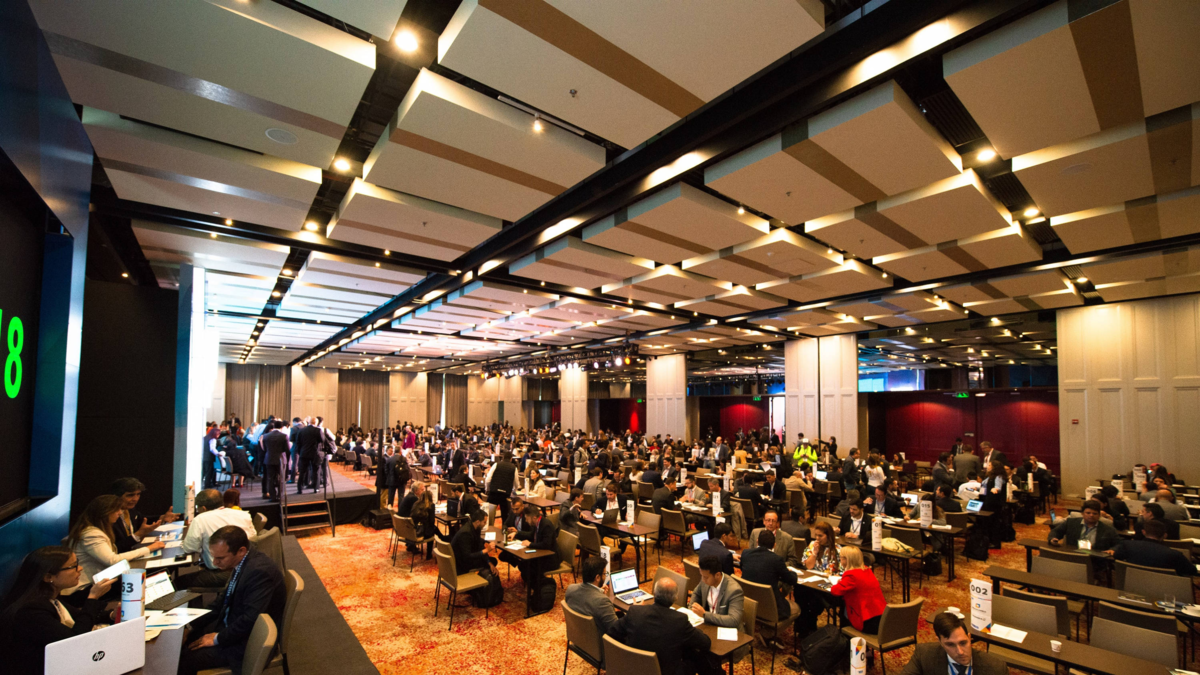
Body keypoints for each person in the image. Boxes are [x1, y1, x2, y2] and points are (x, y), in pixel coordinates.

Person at [179, 526, 286, 675]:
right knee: (183, 642)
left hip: (248, 642)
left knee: (183, 660)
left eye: (220, 558)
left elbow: (250, 620)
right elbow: (221, 602)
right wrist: (190, 626)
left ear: (241, 551)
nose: (215, 563)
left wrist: (217, 638)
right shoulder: (242, 562)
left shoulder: (259, 572)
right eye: (214, 557)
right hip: (234, 626)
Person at [1, 546, 119, 675]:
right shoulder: (30, 610)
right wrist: (93, 597)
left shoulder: (50, 597)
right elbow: (75, 641)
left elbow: (80, 617)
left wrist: (112, 615)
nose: (80, 568)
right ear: (48, 577)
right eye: (73, 566)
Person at [608, 577, 713, 675]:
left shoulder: (635, 611)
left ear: (654, 593)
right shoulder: (680, 620)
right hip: (665, 671)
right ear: (676, 598)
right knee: (696, 659)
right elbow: (705, 643)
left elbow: (612, 632)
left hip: (632, 668)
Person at [68, 494, 165, 588]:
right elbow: (113, 560)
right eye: (116, 510)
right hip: (87, 587)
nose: (120, 513)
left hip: (101, 579)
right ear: (105, 512)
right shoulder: (91, 534)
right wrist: (149, 548)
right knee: (148, 580)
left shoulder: (96, 530)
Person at [176, 489, 257, 588]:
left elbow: (189, 548)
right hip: (247, 568)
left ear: (203, 508)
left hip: (222, 573)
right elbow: (253, 538)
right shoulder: (243, 514)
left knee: (178, 582)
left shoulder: (200, 519)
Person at [899, 612, 1010, 674]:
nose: (960, 652)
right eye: (950, 645)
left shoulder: (996, 668)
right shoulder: (924, 655)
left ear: (969, 638)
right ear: (940, 642)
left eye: (963, 643)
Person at [109, 477, 177, 554]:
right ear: (116, 496)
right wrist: (138, 535)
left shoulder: (130, 509)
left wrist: (162, 518)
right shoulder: (109, 517)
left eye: (138, 494)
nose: (135, 499)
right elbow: (114, 549)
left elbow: (142, 521)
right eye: (130, 495)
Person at [740, 530, 797, 620]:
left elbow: (742, 568)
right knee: (793, 607)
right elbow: (791, 580)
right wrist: (792, 572)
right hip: (770, 606)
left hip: (747, 602)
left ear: (757, 541)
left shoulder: (745, 553)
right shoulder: (776, 560)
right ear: (774, 545)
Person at [829, 546, 885, 634]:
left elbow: (835, 590)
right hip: (881, 618)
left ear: (846, 560)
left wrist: (839, 582)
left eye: (841, 558)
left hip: (866, 622)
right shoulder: (867, 570)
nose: (839, 560)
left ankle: (844, 636)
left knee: (843, 608)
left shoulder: (851, 575)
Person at [1113, 519, 1193, 576]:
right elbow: (1191, 571)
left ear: (1143, 532)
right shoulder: (1174, 554)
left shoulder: (1127, 545)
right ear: (1165, 535)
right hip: (1165, 588)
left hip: (1130, 583)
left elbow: (1116, 556)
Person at [564, 557, 618, 635]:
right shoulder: (602, 602)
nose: (605, 576)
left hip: (577, 635)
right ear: (597, 577)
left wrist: (598, 592)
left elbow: (586, 600)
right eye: (604, 574)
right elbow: (616, 632)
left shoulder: (570, 589)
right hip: (599, 641)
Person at [690, 555, 744, 628]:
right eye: (702, 576)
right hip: (709, 625)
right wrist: (692, 609)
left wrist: (705, 614)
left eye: (705, 577)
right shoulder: (705, 579)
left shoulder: (734, 590)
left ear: (717, 575)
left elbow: (733, 620)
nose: (703, 580)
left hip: (726, 629)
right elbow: (696, 594)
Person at [512, 504, 558, 587]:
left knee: (527, 566)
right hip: (540, 555)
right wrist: (516, 533)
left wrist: (530, 544)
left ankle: (540, 586)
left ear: (534, 517)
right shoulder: (536, 523)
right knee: (523, 564)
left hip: (550, 559)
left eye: (527, 518)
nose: (526, 521)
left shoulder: (546, 525)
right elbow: (531, 535)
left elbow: (546, 545)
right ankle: (535, 585)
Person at [1048, 499, 1120, 551]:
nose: (1091, 515)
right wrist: (1053, 538)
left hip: (1095, 559)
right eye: (1088, 513)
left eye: (1095, 513)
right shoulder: (1071, 523)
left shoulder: (1108, 529)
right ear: (1082, 513)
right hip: (1073, 555)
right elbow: (1055, 531)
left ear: (1099, 515)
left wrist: (1113, 550)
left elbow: (1118, 544)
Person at [450, 509, 498, 575]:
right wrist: (486, 550)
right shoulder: (465, 533)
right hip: (461, 564)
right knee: (491, 562)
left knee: (492, 561)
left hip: (466, 558)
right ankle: (482, 578)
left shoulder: (475, 527)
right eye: (484, 522)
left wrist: (489, 562)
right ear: (478, 522)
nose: (485, 524)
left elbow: (480, 546)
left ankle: (483, 576)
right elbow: (467, 556)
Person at [260, 419, 289, 501]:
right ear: (282, 427)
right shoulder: (284, 436)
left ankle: (272, 497)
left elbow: (264, 448)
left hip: (269, 458)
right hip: (280, 459)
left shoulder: (266, 436)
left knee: (270, 478)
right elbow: (287, 449)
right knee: (281, 478)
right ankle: (280, 496)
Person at [487, 452, 517, 523]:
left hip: (494, 492)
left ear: (503, 457)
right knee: (505, 515)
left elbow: (488, 479)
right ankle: (504, 528)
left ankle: (488, 528)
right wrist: (513, 491)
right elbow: (516, 483)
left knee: (489, 513)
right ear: (511, 459)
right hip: (505, 494)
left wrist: (487, 489)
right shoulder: (514, 468)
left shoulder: (496, 464)